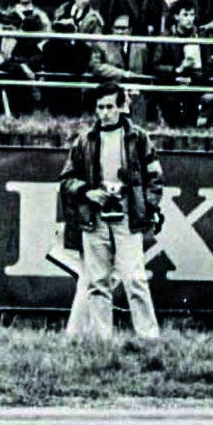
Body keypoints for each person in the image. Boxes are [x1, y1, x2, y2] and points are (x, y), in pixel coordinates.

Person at [58, 80, 161, 339]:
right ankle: (102, 340)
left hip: (128, 215)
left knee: (135, 278)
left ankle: (148, 338)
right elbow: (66, 179)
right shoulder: (84, 141)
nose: (105, 113)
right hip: (94, 217)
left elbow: (155, 177)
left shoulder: (138, 138)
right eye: (100, 107)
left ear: (122, 107)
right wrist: (88, 192)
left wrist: (148, 207)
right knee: (97, 281)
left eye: (110, 107)